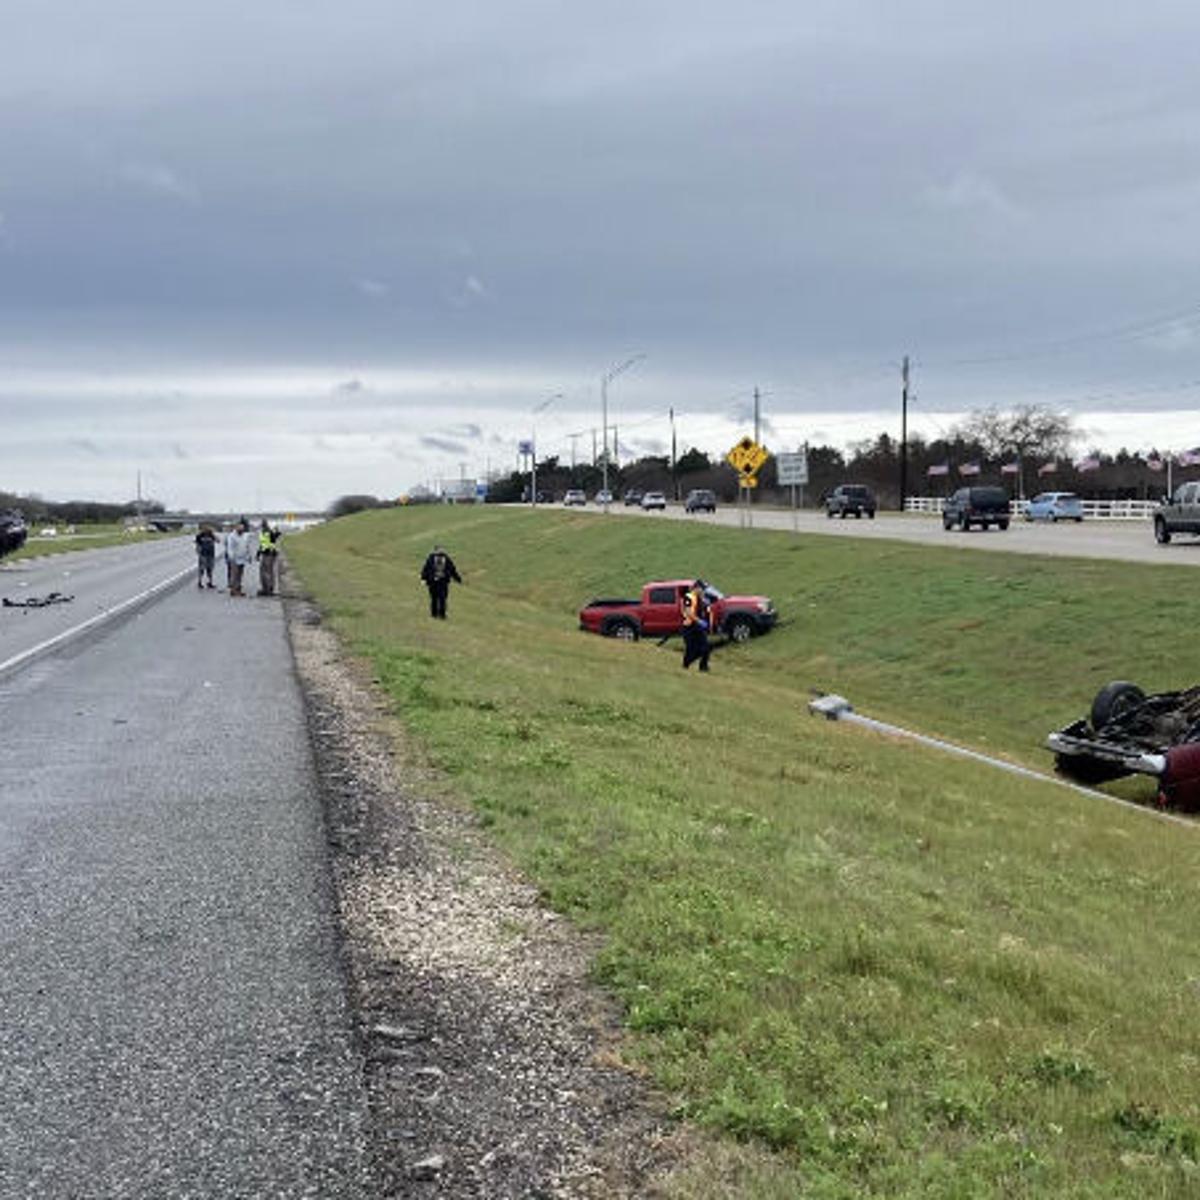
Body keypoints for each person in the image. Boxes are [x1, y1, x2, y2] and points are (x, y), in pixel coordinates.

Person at [420, 544, 462, 619]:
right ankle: (434, 614)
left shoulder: (447, 559)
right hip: (433, 582)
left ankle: (442, 614)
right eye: (438, 551)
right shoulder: (430, 558)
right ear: (435, 551)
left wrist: (458, 579)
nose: (440, 552)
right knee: (434, 598)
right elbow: (426, 568)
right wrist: (423, 578)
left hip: (443, 582)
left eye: (441, 551)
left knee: (442, 598)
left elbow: (452, 569)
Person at [680, 579, 711, 672]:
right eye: (702, 589)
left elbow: (705, 611)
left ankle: (703, 667)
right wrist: (699, 621)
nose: (703, 591)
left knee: (706, 647)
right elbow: (688, 612)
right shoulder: (688, 597)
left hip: (698, 627)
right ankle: (685, 665)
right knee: (690, 648)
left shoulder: (700, 598)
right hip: (689, 626)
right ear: (697, 588)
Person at [226, 520, 253, 597]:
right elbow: (230, 548)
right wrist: (231, 557)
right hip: (234, 559)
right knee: (234, 575)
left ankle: (238, 589)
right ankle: (233, 590)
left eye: (242, 528)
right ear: (236, 528)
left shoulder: (245, 536)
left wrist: (249, 556)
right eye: (240, 528)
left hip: (242, 558)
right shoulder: (232, 536)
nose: (241, 530)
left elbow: (247, 546)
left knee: (240, 575)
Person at [256, 520, 281, 596]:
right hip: (265, 554)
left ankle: (269, 589)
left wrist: (276, 533)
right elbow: (262, 544)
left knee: (267, 572)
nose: (262, 527)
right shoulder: (263, 533)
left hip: (270, 554)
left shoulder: (269, 532)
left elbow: (274, 540)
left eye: (263, 526)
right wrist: (258, 554)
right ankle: (266, 588)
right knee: (264, 572)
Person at [194, 524, 217, 589]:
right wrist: (198, 552)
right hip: (203, 554)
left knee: (210, 569)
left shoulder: (211, 535)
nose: (206, 529)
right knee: (202, 569)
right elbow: (197, 544)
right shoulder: (199, 536)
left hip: (211, 554)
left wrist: (213, 535)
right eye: (205, 528)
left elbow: (218, 540)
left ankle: (210, 582)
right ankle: (200, 582)